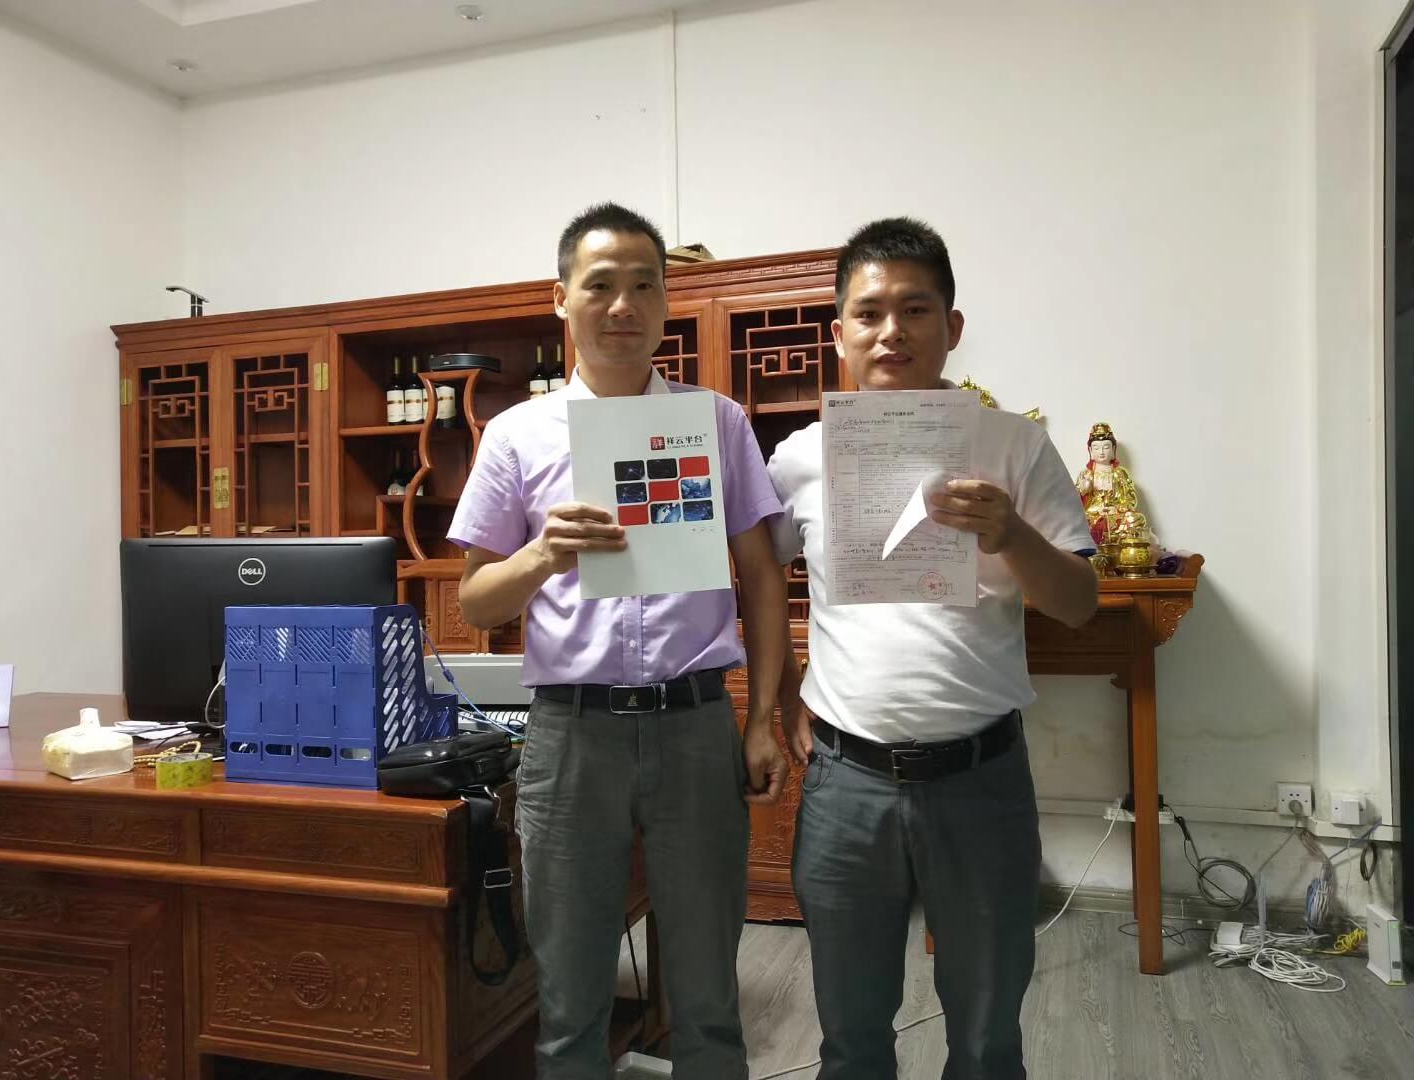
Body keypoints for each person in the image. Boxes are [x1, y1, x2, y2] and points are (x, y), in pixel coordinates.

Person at [448, 202, 791, 1080]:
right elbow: (478, 601)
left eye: (645, 285)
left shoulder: (715, 422)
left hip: (695, 724)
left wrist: (761, 719)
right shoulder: (516, 436)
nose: (623, 306)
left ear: (667, 300)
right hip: (570, 736)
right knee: (569, 1007)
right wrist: (542, 553)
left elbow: (761, 576)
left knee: (709, 1000)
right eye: (600, 285)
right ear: (560, 297)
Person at [766, 217, 1098, 1080]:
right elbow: (758, 577)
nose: (892, 332)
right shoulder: (800, 458)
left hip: (980, 780)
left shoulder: (1014, 444)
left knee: (987, 1039)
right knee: (849, 1038)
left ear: (951, 326)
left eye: (915, 310)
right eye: (869, 312)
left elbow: (1077, 604)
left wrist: (1011, 534)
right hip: (845, 782)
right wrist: (782, 688)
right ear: (838, 333)